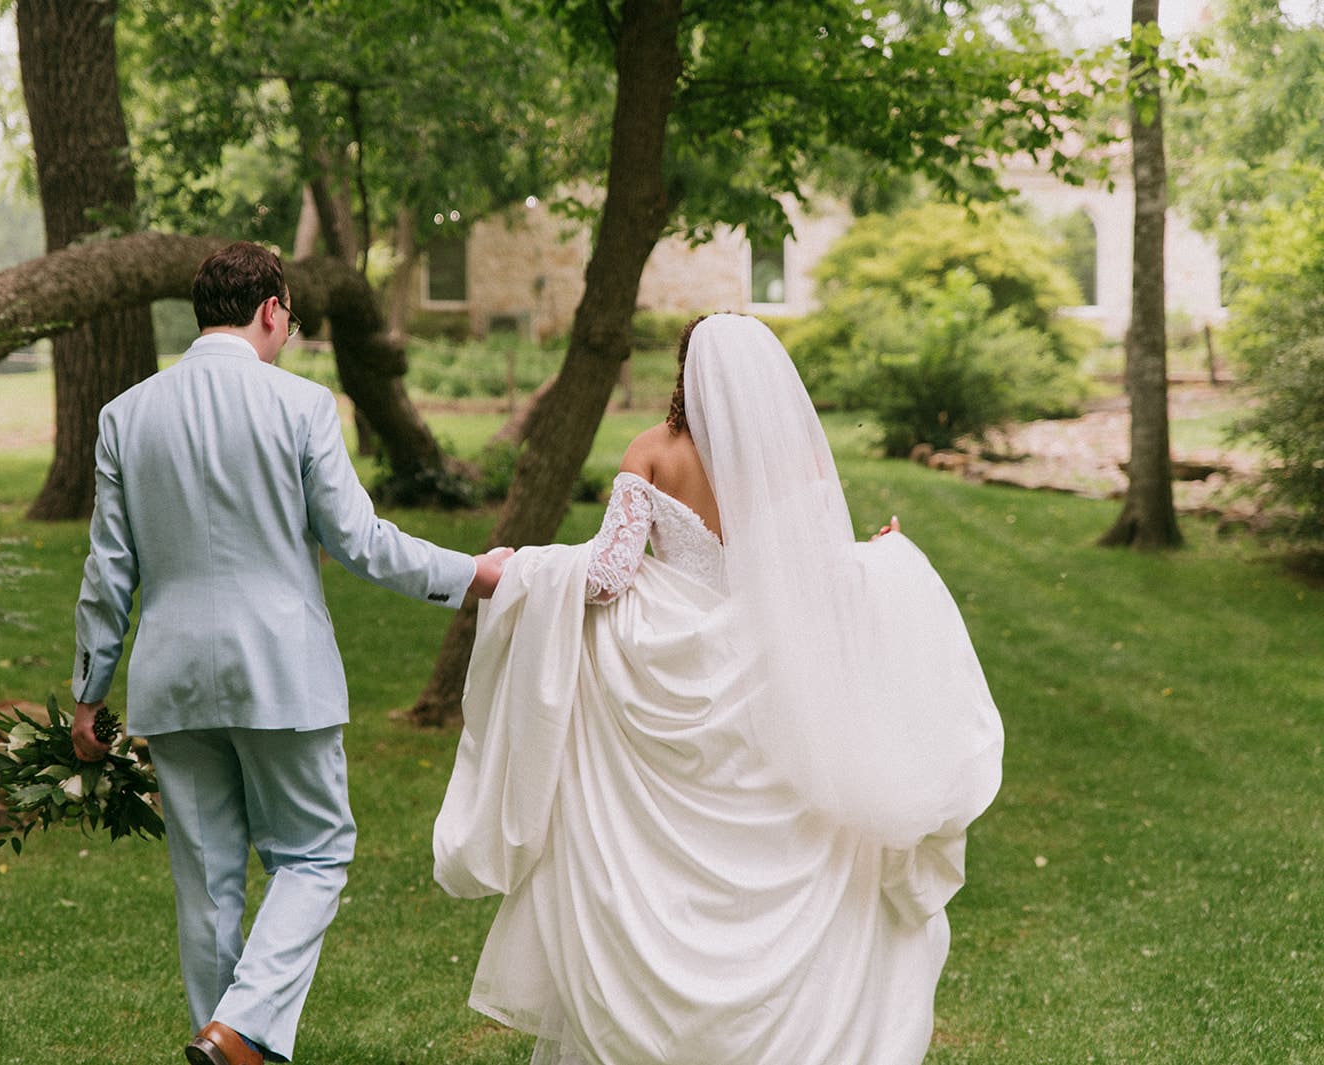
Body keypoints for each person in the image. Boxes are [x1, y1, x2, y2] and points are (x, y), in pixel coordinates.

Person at [433, 313, 1003, 1065]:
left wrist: (533, 569)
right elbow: (817, 566)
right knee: (783, 827)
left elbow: (605, 576)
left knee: (650, 856)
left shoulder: (654, 452)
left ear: (684, 372)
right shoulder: (791, 456)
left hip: (663, 679)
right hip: (765, 671)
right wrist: (882, 557)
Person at [69, 241, 510, 1065]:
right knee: (314, 854)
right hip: (281, 672)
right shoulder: (302, 406)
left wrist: (89, 689)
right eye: (291, 322)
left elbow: (109, 567)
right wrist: (473, 574)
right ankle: (240, 1032)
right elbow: (364, 543)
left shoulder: (125, 414)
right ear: (271, 309)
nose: (290, 337)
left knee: (207, 888)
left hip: (171, 679)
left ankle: (224, 1042)